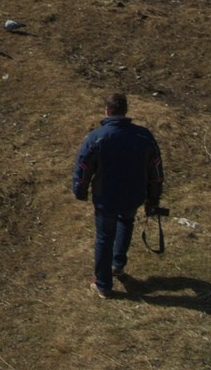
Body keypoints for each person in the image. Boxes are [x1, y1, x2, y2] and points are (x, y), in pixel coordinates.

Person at [71, 92, 166, 298]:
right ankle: (117, 264)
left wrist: (80, 191)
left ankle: (103, 284)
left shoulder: (97, 137)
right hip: (134, 194)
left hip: (105, 197)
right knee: (126, 222)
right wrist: (154, 195)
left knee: (104, 237)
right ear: (126, 111)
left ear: (107, 111)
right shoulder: (143, 136)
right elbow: (155, 167)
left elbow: (83, 166)